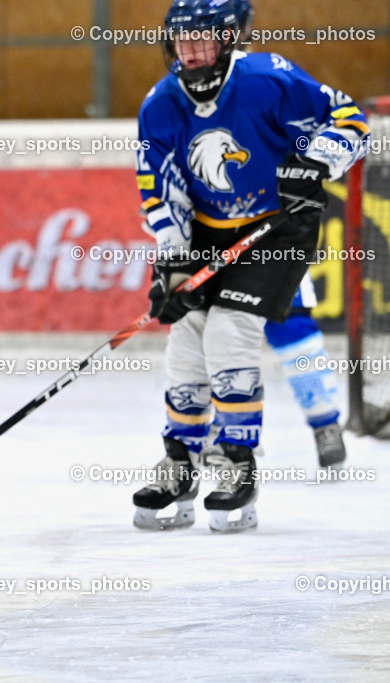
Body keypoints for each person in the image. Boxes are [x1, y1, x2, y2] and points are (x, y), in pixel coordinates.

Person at [131, 0, 368, 532]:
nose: (191, 52)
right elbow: (160, 187)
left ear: (228, 40)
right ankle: (180, 462)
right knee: (187, 335)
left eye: (203, 40)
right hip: (208, 233)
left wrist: (315, 158)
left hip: (279, 228)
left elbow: (351, 119)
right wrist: (171, 261)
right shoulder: (160, 104)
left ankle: (237, 464)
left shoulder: (268, 78)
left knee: (230, 332)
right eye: (182, 41)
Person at [232, 0, 347, 467]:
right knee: (214, 341)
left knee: (291, 324)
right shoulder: (180, 90)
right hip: (208, 234)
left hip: (271, 234)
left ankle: (325, 422)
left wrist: (304, 169)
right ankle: (222, 445)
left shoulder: (265, 77)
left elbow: (336, 122)